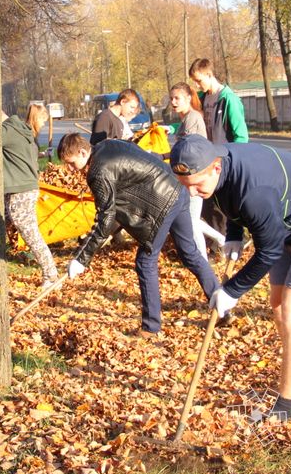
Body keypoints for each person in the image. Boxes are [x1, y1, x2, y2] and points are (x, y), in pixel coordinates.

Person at [170, 135, 291, 421]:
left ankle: (287, 406)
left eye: (196, 184)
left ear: (215, 167)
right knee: (279, 307)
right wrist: (233, 235)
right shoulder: (218, 169)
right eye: (185, 185)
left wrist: (231, 290)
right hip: (286, 224)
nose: (192, 192)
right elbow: (230, 201)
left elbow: (267, 251)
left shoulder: (254, 190)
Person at [58, 133, 220, 338]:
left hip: (162, 203)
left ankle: (151, 328)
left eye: (71, 163)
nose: (70, 170)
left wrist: (82, 258)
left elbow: (105, 218)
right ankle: (221, 306)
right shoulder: (108, 144)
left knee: (145, 262)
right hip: (178, 190)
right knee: (190, 252)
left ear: (82, 152)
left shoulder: (98, 171)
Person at [2, 104, 60, 289]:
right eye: (43, 120)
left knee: (31, 233)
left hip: (21, 190)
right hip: (23, 188)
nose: (44, 124)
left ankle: (51, 276)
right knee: (16, 228)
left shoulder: (10, 131)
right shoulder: (23, 131)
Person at [189, 58, 248, 238]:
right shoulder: (203, 98)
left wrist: (234, 160)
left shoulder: (228, 99)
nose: (198, 85)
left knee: (219, 207)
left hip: (224, 160)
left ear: (209, 74)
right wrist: (172, 128)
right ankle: (228, 240)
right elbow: (194, 121)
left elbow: (241, 135)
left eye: (199, 80)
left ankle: (221, 246)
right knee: (207, 204)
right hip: (207, 158)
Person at [168, 82, 225, 260]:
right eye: (171, 98)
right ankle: (221, 239)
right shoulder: (186, 119)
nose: (173, 102)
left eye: (177, 98)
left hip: (195, 177)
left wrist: (161, 155)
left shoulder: (193, 117)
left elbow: (187, 150)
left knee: (191, 221)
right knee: (191, 219)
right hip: (188, 177)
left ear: (187, 98)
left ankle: (202, 262)